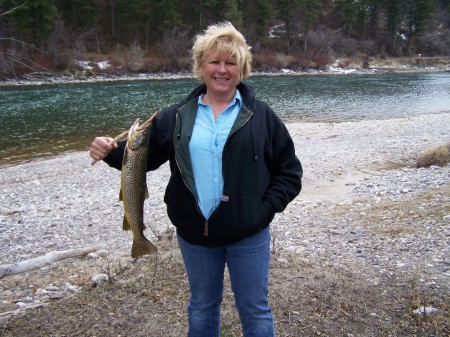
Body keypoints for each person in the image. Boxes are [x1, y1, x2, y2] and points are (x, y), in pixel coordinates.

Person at [89, 21, 302, 337]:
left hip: (249, 235)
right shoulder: (176, 116)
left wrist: (263, 208)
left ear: (242, 69)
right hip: (195, 236)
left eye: (231, 62)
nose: (222, 69)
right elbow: (142, 158)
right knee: (202, 307)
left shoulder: (263, 116)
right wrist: (109, 151)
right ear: (201, 67)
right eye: (214, 61)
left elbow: (289, 172)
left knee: (255, 312)